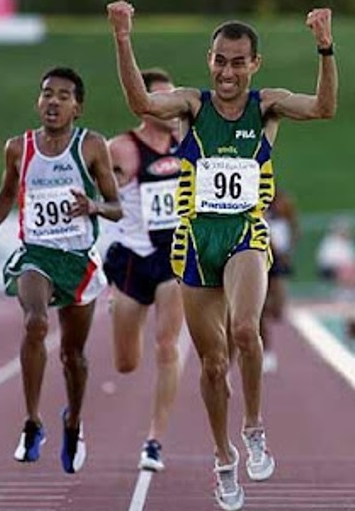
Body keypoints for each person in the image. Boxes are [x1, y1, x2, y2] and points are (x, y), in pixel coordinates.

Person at [107, 3, 337, 509]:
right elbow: (141, 101)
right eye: (219, 61)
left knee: (243, 332)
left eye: (238, 62)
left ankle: (254, 425)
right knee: (212, 366)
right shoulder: (191, 105)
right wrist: (123, 37)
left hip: (244, 235)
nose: (227, 72)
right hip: (195, 245)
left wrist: (325, 45)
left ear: (255, 64)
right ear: (209, 60)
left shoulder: (267, 106)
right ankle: (223, 456)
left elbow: (324, 107)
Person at [0, 67, 122, 474]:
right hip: (37, 254)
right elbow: (7, 195)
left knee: (73, 355)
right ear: (38, 101)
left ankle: (73, 421)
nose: (53, 101)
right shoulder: (18, 148)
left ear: (77, 107)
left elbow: (117, 206)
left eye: (64, 96)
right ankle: (32, 422)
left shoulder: (92, 147)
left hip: (78, 260)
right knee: (34, 322)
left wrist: (95, 206)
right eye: (47, 93)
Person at [103, 68, 183, 472]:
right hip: (133, 259)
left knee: (167, 346)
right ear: (144, 103)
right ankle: (118, 304)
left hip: (174, 260)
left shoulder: (187, 143)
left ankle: (154, 440)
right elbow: (104, 196)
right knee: (126, 363)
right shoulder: (122, 148)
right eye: (163, 100)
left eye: (175, 99)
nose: (172, 108)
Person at [259, 188, 300, 374]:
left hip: (279, 261)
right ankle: (266, 351)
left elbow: (294, 228)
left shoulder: (284, 204)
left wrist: (288, 251)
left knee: (278, 311)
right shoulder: (255, 204)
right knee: (259, 311)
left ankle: (257, 312)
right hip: (261, 259)